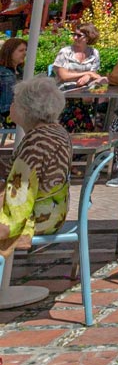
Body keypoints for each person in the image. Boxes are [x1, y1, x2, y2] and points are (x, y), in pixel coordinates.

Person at [0, 77, 71, 240]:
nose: (11, 105)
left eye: (15, 101)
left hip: (38, 218)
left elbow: (17, 206)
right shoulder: (58, 131)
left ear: (26, 109)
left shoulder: (35, 144)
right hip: (55, 213)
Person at [0, 36, 27, 120]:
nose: (25, 53)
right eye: (21, 50)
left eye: (25, 50)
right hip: (7, 119)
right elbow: (7, 105)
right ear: (9, 52)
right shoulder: (3, 73)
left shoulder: (21, 71)